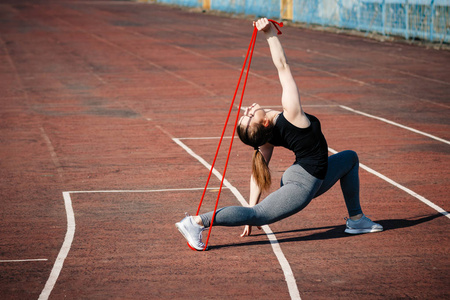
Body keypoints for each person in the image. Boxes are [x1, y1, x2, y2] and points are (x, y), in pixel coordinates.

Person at [176, 18, 382, 251]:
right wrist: (269, 33)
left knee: (350, 158)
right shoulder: (292, 114)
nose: (248, 109)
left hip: (312, 175)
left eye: (245, 113)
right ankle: (196, 222)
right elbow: (282, 66)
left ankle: (356, 220)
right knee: (259, 215)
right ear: (264, 122)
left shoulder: (267, 136)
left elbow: (258, 169)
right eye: (249, 115)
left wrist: (250, 211)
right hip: (302, 184)